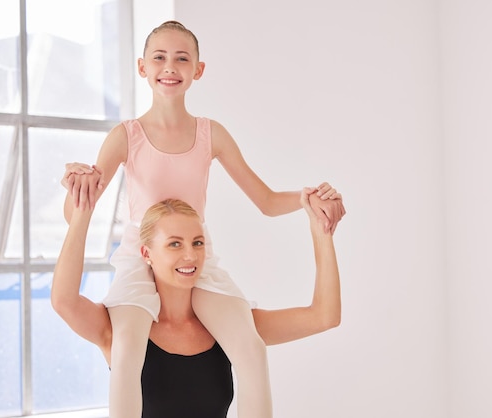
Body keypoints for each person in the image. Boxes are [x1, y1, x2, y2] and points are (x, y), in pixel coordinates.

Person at [61, 20, 346, 418]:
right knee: (127, 350)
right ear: (142, 67)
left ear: (198, 69)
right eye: (159, 58)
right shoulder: (127, 135)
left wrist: (305, 199)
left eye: (182, 58)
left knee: (250, 348)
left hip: (195, 257)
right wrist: (79, 189)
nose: (170, 67)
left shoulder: (212, 135)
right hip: (140, 258)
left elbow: (264, 201)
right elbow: (76, 210)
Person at [51, 189, 341, 417]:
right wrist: (81, 214)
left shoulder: (232, 327)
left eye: (197, 243)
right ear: (146, 253)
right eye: (175, 244)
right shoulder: (117, 330)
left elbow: (323, 316)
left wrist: (322, 230)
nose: (190, 256)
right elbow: (64, 301)